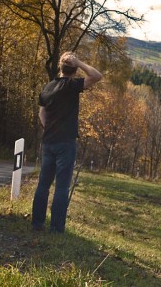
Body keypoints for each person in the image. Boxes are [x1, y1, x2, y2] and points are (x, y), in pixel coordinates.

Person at [31, 51, 103, 233]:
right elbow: (96, 76)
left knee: (43, 185)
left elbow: (42, 113)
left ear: (60, 68)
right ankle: (56, 227)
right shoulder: (72, 85)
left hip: (48, 141)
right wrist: (80, 62)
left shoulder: (47, 87)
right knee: (62, 187)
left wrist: (49, 129)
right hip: (66, 143)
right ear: (74, 70)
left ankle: (37, 223)